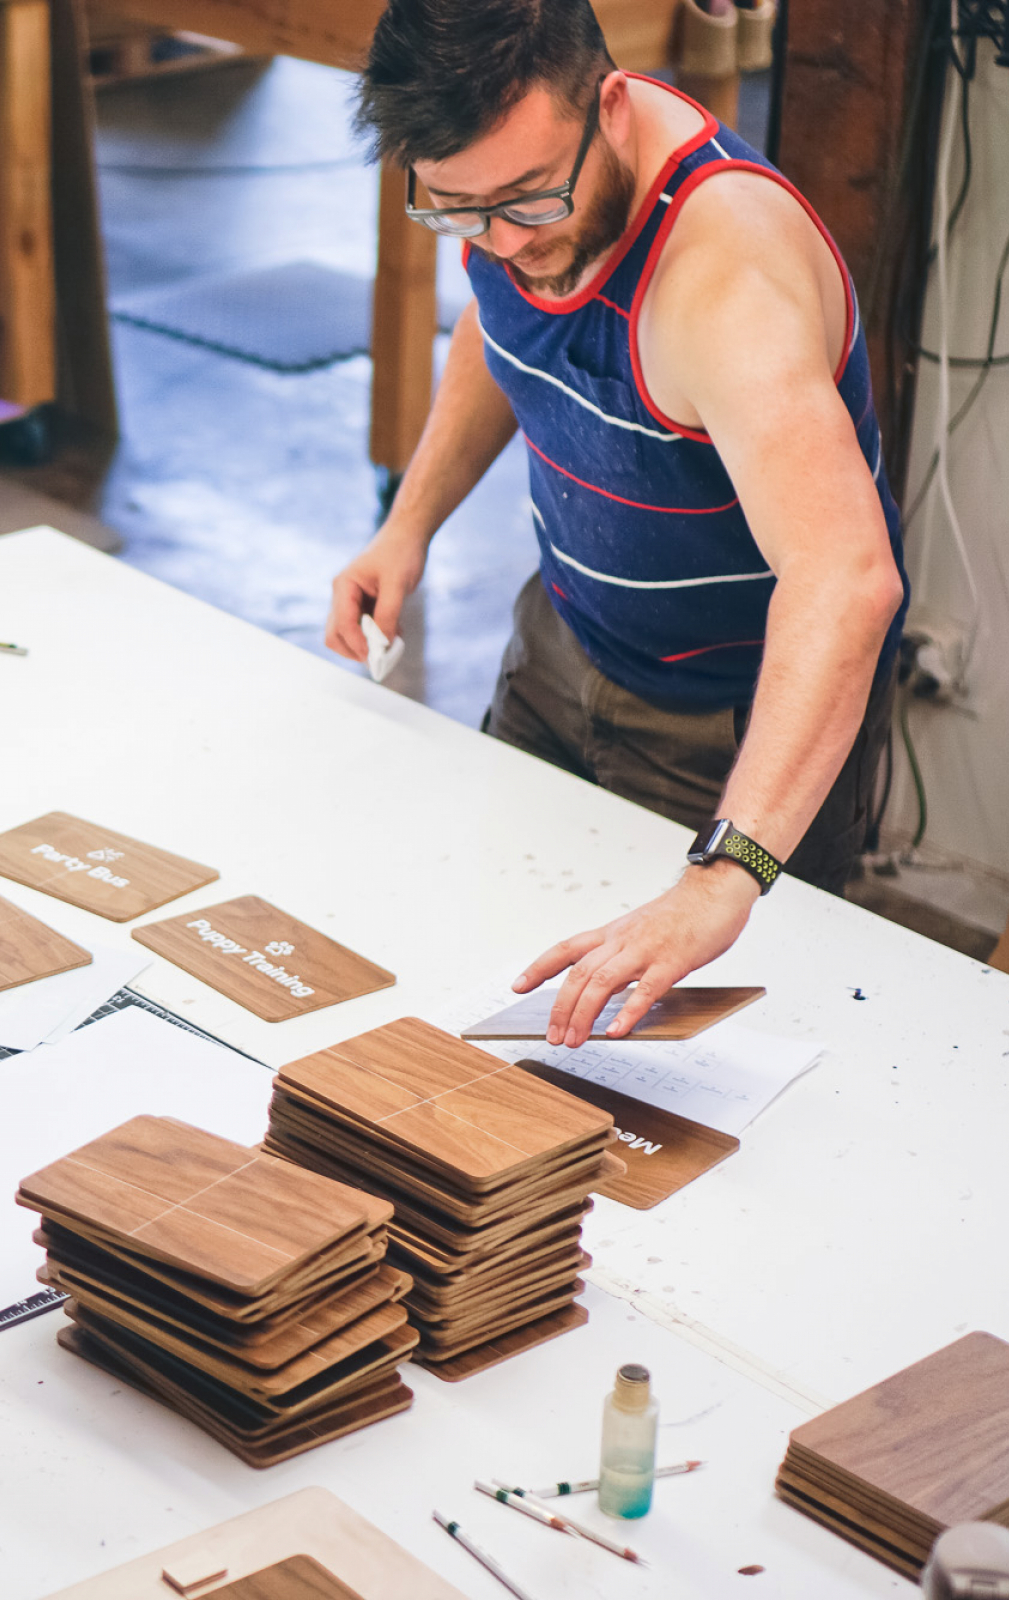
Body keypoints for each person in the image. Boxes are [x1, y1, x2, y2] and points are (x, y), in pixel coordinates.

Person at [327, 0, 907, 1047]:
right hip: (558, 643)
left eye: (529, 199)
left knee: (680, 1082)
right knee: (488, 981)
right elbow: (505, 333)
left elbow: (848, 579)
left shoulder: (724, 283)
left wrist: (732, 872)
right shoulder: (511, 198)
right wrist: (408, 525)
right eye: (459, 209)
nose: (504, 241)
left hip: (724, 735)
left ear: (613, 108)